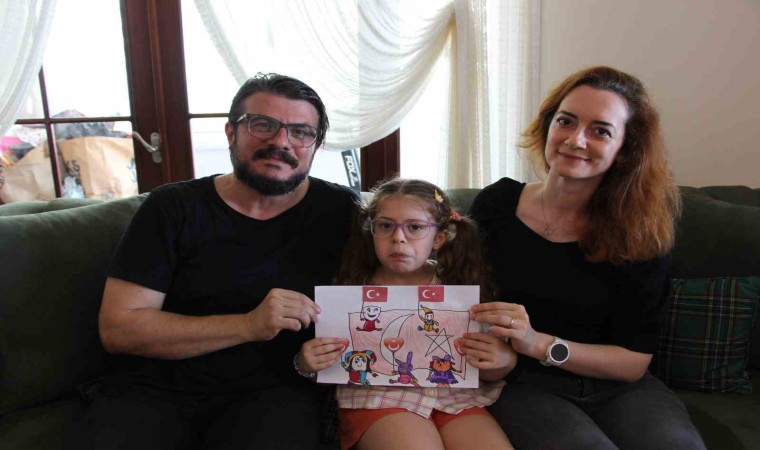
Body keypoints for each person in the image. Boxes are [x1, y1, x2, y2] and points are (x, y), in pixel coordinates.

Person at [80, 73, 359, 449]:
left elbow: (407, 273)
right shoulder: (171, 208)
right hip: (152, 390)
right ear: (231, 133)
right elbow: (119, 329)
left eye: (300, 132)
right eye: (263, 125)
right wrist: (247, 325)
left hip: (276, 393)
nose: (281, 142)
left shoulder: (343, 211)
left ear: (315, 145)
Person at [469, 66, 707, 449]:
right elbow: (456, 290)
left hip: (620, 389)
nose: (575, 140)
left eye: (601, 131)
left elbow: (633, 363)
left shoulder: (640, 231)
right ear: (548, 126)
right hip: (523, 384)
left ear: (624, 150)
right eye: (566, 121)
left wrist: (537, 343)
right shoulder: (497, 204)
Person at [297, 178, 517, 450]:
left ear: (439, 238)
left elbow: (489, 368)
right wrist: (307, 364)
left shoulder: (460, 289)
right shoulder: (348, 288)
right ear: (371, 230)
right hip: (377, 398)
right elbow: (327, 366)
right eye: (385, 226)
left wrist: (503, 361)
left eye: (415, 227)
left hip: (456, 398)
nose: (398, 237)